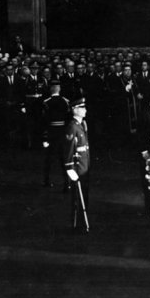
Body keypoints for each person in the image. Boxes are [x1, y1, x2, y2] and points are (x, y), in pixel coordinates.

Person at [64, 98, 90, 233]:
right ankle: (78, 224)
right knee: (78, 198)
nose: (85, 110)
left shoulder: (82, 124)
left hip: (84, 166)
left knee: (84, 196)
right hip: (78, 168)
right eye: (82, 107)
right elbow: (68, 149)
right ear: (75, 110)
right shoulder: (72, 127)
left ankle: (81, 223)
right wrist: (69, 168)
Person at [42, 80, 70, 190]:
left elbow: (44, 120)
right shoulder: (65, 101)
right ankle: (66, 183)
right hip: (62, 132)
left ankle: (46, 181)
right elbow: (68, 118)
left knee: (49, 158)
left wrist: (45, 136)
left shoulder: (46, 102)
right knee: (64, 158)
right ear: (59, 89)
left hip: (51, 132)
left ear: (51, 89)